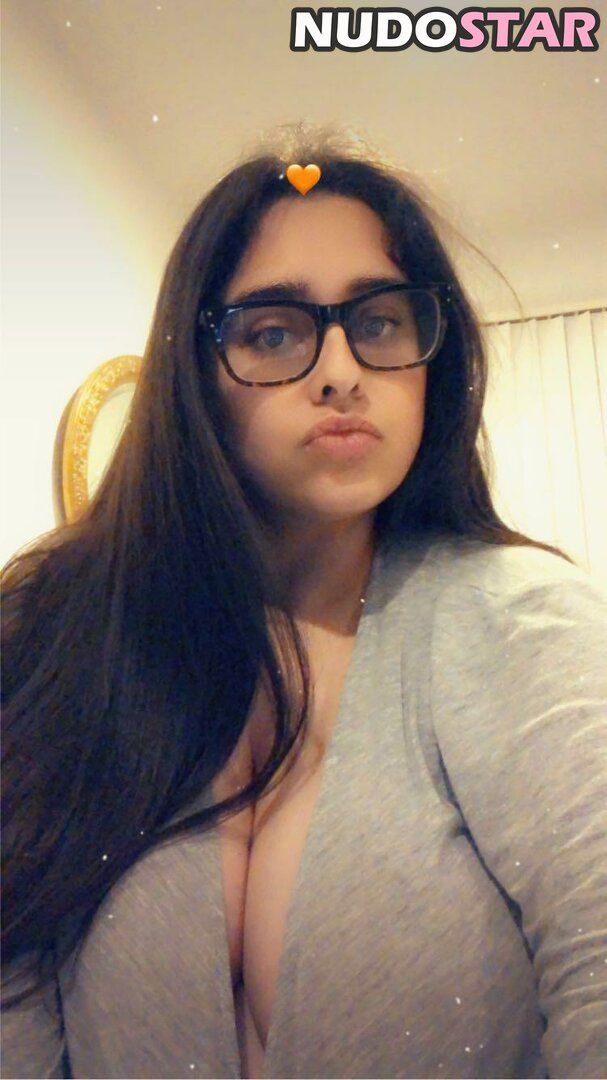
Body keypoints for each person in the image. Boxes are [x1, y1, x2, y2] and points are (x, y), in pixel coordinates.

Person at [1, 123, 606, 1080]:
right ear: (195, 377)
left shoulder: (522, 621)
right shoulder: (64, 636)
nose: (339, 372)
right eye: (272, 332)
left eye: (380, 322)